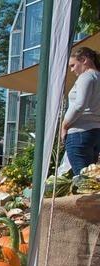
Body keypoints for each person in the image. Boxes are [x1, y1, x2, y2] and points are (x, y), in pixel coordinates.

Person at [61, 47, 100, 175]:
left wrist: (64, 125)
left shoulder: (86, 76)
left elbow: (79, 105)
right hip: (96, 132)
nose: (72, 70)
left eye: (73, 65)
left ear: (83, 60)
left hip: (79, 133)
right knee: (91, 178)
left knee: (82, 179)